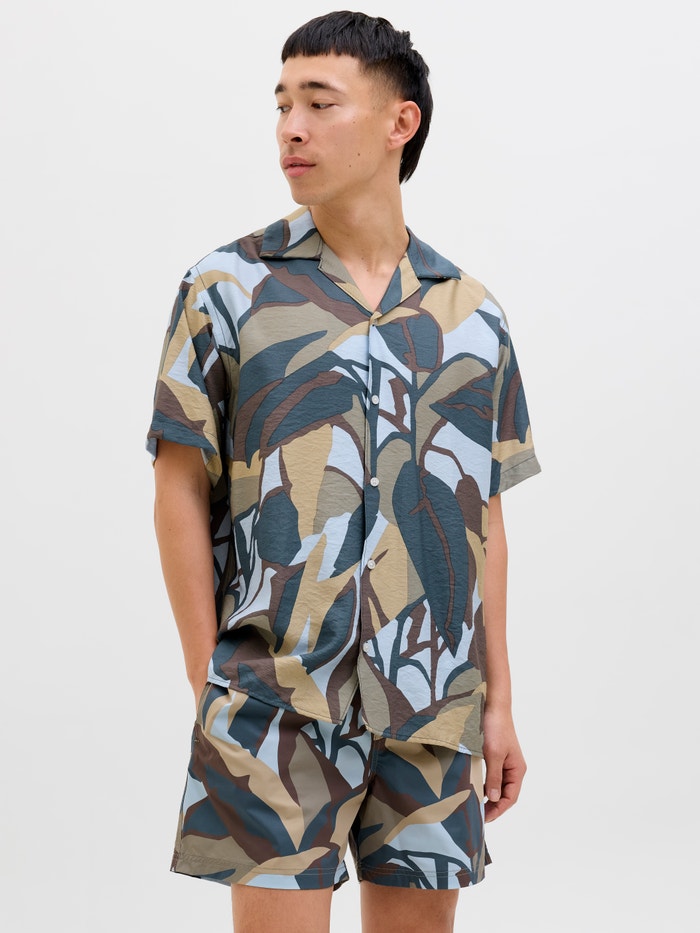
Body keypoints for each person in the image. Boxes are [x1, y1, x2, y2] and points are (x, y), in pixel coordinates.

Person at [147, 11, 540, 933]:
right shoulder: (227, 289)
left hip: (432, 706)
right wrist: (212, 682)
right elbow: (178, 491)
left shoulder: (471, 316)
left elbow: (482, 519)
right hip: (273, 702)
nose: (292, 127)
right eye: (282, 104)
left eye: (320, 103)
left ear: (401, 123)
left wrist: (499, 703)